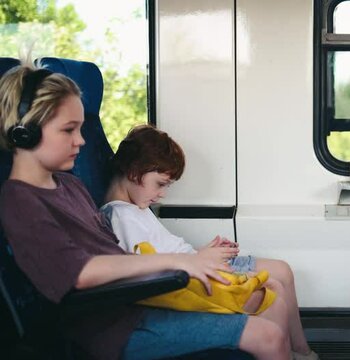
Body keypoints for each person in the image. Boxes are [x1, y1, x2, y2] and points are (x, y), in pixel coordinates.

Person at [0, 62, 293, 360]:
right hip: (111, 328)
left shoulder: (69, 185)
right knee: (267, 336)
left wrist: (186, 265)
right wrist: (180, 262)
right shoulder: (20, 200)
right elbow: (80, 274)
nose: (81, 140)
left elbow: (114, 252)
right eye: (68, 130)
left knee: (266, 299)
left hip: (139, 301)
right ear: (26, 132)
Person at [101, 124, 318, 360]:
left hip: (195, 262)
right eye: (160, 184)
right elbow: (147, 269)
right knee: (273, 291)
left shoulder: (136, 207)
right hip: (189, 278)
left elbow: (165, 249)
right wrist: (199, 260)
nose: (162, 194)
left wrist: (203, 252)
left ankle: (300, 351)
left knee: (282, 271)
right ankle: (289, 353)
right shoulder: (122, 216)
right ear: (134, 172)